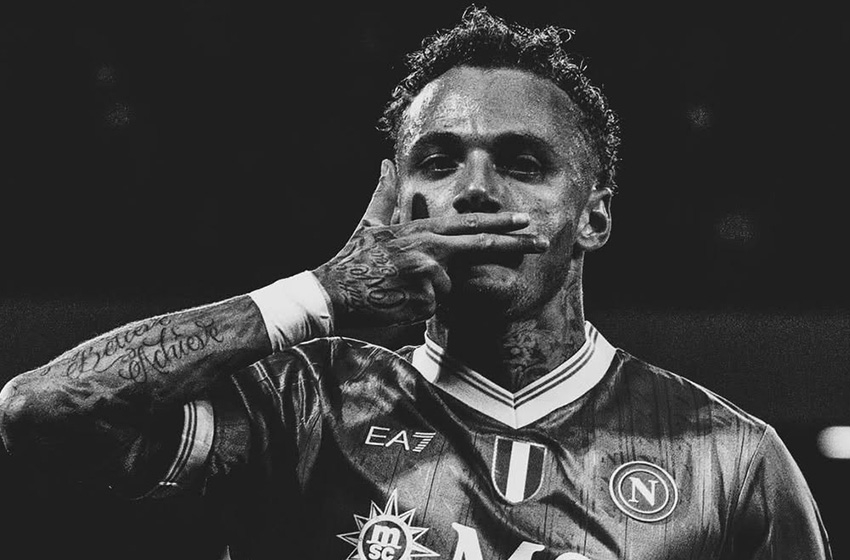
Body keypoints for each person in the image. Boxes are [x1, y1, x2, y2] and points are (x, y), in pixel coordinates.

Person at [0, 6, 831, 559]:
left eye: (523, 163)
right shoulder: (304, 406)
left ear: (594, 217)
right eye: (438, 162)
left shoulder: (734, 462)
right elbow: (40, 412)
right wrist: (319, 295)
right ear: (398, 204)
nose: (475, 190)